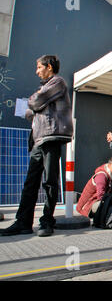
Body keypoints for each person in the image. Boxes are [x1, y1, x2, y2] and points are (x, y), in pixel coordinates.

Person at [1, 55, 73, 237]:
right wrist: (35, 105)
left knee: (50, 181)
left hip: (50, 137)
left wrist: (35, 104)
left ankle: (47, 221)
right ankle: (23, 222)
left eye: (39, 67)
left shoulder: (57, 82)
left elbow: (34, 102)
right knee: (30, 182)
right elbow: (30, 110)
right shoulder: (46, 86)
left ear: (49, 67)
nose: (37, 71)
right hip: (39, 138)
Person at [76, 154, 112, 218]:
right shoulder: (101, 176)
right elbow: (101, 197)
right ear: (109, 165)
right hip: (89, 206)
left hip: (104, 203)